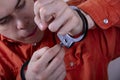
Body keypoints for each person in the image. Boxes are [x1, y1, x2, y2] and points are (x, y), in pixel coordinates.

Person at [0, 0, 120, 80]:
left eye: (21, 4)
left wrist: (86, 17)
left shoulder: (73, 13)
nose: (22, 23)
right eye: (3, 21)